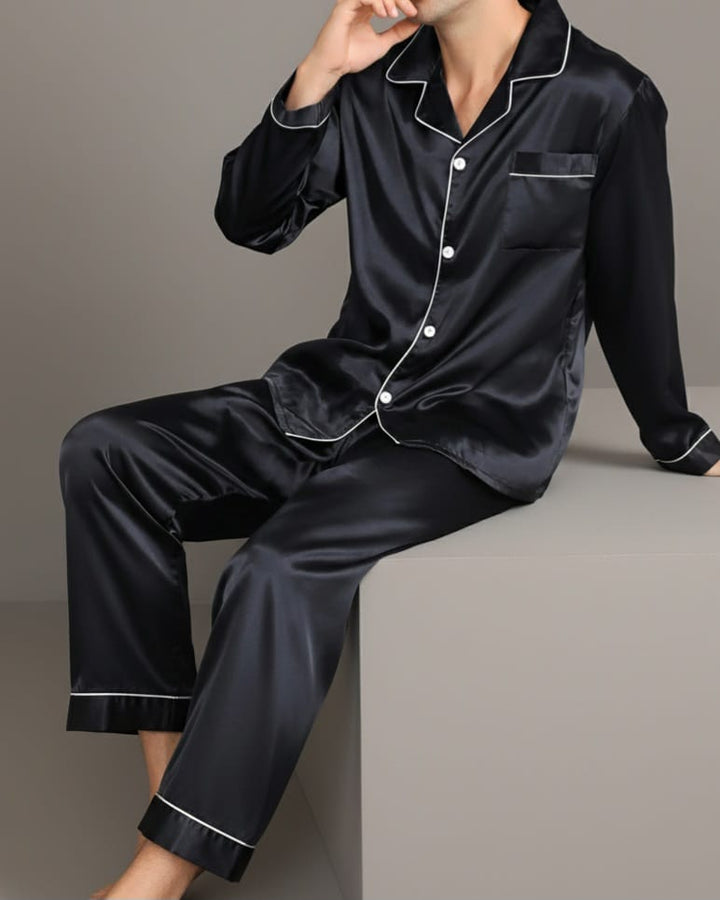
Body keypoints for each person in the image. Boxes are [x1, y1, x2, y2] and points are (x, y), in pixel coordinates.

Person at [57, 0, 720, 896]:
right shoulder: (376, 82)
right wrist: (318, 74)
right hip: (335, 394)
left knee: (275, 566)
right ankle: (175, 791)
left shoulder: (607, 96)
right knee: (106, 452)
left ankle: (161, 872)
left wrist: (677, 436)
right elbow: (250, 220)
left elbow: (634, 289)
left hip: (470, 434)